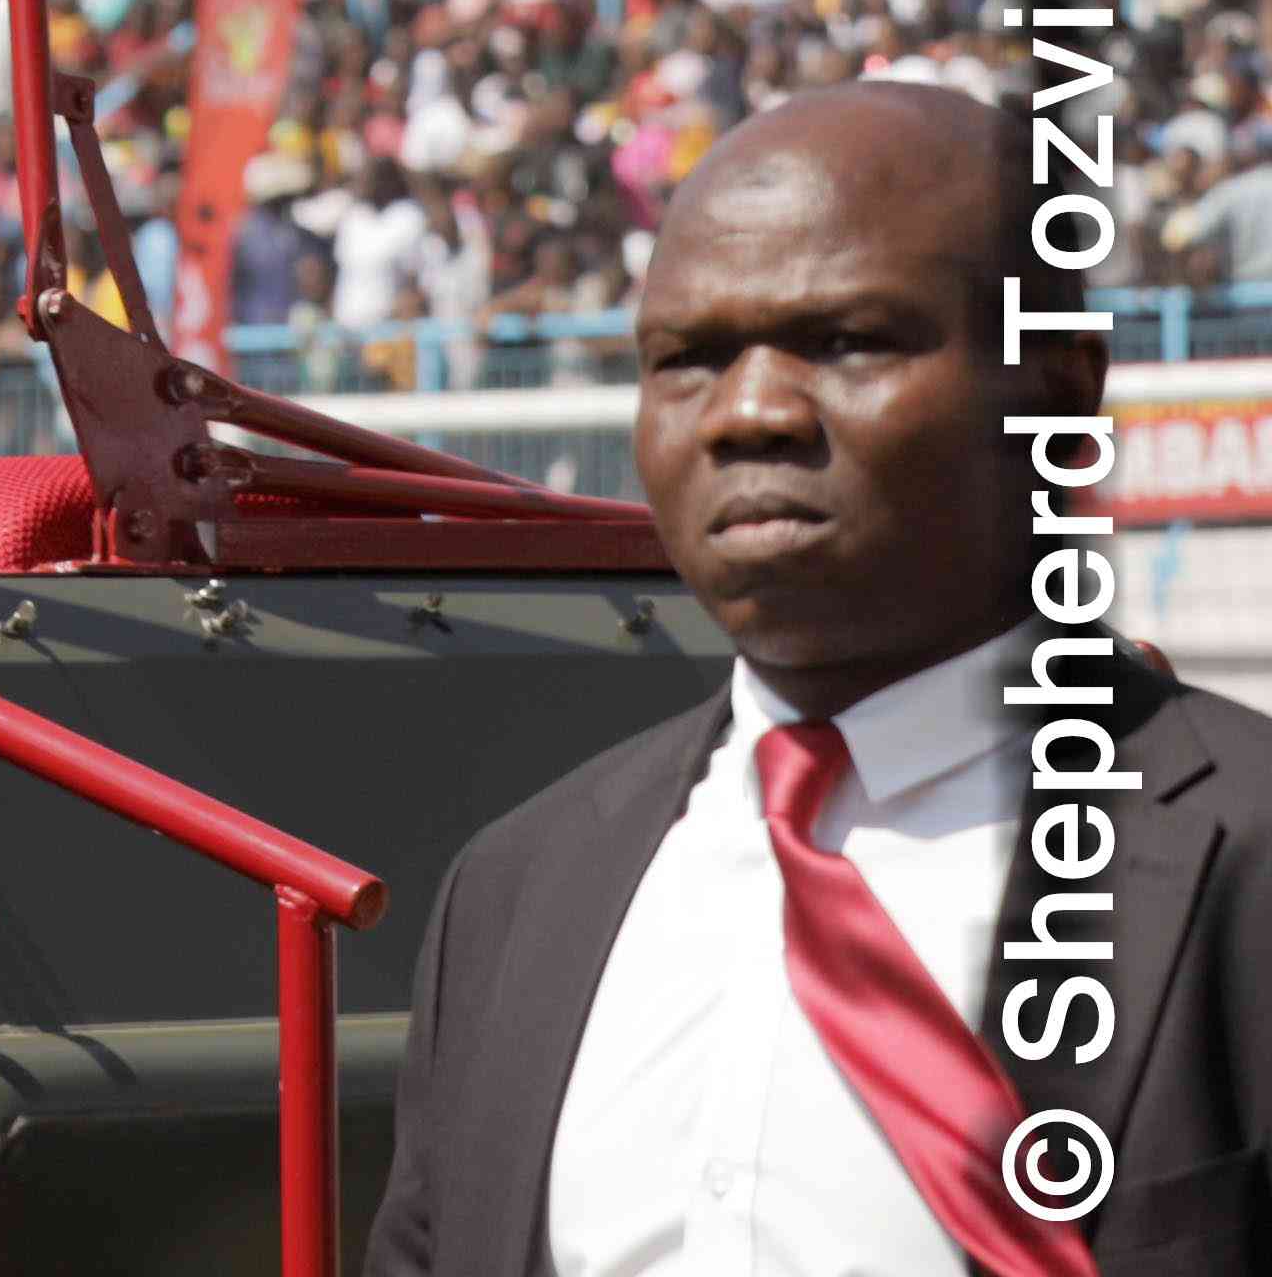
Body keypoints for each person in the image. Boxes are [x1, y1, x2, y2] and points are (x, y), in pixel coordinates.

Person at [365, 82, 1268, 1274]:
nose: (748, 412)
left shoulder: (1247, 853)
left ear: (1055, 386)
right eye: (686, 358)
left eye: (845, 339)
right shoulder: (513, 892)